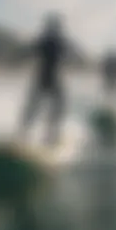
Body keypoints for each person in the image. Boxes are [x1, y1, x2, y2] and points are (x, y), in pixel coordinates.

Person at [17, 12, 86, 146]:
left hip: (42, 79)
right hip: (53, 80)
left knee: (35, 108)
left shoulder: (44, 40)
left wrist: (17, 58)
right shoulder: (58, 41)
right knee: (54, 109)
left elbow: (27, 51)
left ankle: (24, 135)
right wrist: (79, 61)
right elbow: (76, 55)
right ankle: (49, 138)